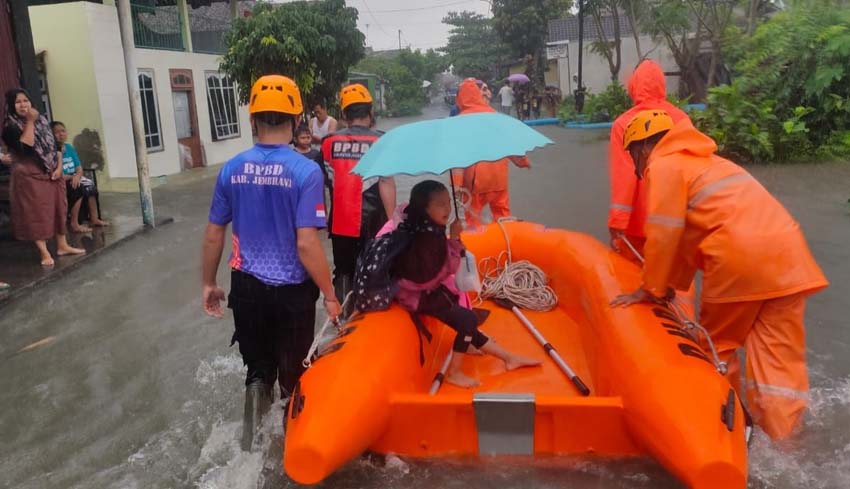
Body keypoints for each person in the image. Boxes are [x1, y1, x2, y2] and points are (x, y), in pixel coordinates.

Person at [611, 110, 828, 440]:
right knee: (778, 365)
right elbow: (688, 236)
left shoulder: (664, 165)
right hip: (789, 258)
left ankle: (721, 434)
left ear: (641, 149)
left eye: (633, 159)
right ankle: (784, 444)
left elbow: (665, 233)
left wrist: (651, 288)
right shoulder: (710, 163)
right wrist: (671, 285)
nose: (638, 170)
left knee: (718, 347)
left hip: (738, 258)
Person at [201, 74, 340, 450]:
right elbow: (307, 242)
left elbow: (215, 232)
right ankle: (291, 449)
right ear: (297, 121)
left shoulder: (231, 168)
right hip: (292, 292)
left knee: (257, 369)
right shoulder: (305, 171)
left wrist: (209, 283)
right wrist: (329, 293)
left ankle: (251, 446)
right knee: (294, 376)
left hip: (245, 288)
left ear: (252, 120)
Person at [382, 180, 540, 387]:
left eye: (448, 202)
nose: (447, 208)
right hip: (414, 294)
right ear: (424, 208)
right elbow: (433, 274)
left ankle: (508, 358)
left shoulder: (424, 227)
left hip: (420, 289)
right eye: (439, 204)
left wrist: (450, 240)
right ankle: (454, 373)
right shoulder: (426, 237)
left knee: (465, 319)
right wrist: (455, 240)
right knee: (467, 320)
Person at [321, 83, 396, 308]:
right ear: (371, 112)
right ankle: (373, 315)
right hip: (376, 221)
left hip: (341, 221)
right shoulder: (382, 140)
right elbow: (386, 182)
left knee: (344, 271)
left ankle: (344, 317)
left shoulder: (328, 142)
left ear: (344, 115)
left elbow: (326, 182)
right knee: (376, 269)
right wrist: (393, 223)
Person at [608, 60, 690, 262]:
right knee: (672, 277)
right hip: (674, 219)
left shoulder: (624, 124)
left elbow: (625, 177)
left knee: (631, 278)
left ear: (634, 86)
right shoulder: (681, 119)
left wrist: (617, 222)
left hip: (638, 223)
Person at [2, 88, 85, 266]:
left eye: (26, 100)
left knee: (58, 209)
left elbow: (56, 146)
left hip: (52, 173)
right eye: (18, 102)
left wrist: (59, 167)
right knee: (37, 213)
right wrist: (30, 121)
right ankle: (44, 252)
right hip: (29, 176)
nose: (23, 105)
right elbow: (26, 146)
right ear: (11, 105)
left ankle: (63, 245)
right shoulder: (10, 127)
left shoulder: (42, 121)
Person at [452, 78, 530, 228]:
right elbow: (511, 145)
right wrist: (523, 162)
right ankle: (507, 243)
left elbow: (457, 159)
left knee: (472, 222)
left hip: (476, 183)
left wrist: (456, 186)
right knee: (504, 217)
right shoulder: (497, 116)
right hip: (499, 179)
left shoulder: (459, 123)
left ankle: (477, 248)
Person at [51, 121, 108, 232]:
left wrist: (77, 175)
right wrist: (72, 177)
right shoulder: (51, 152)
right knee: (78, 188)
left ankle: (94, 218)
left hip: (73, 177)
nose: (61, 134)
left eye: (63, 131)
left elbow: (79, 167)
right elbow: (56, 174)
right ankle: (74, 223)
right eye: (56, 132)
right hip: (61, 181)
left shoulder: (69, 148)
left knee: (90, 185)